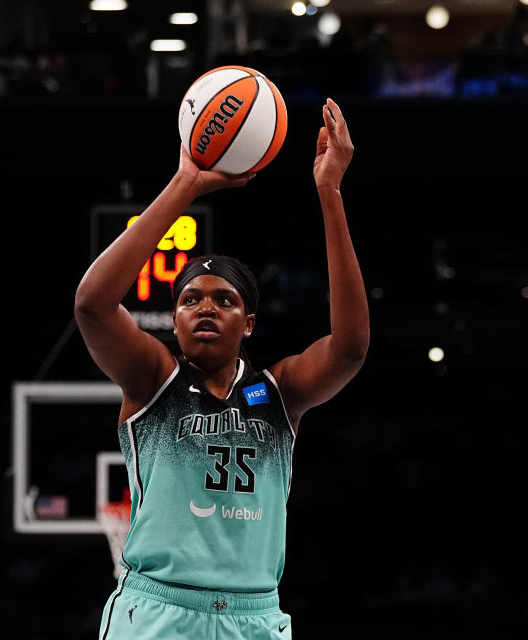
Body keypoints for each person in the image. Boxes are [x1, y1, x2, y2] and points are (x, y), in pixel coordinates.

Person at [74, 97, 369, 639]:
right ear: (175, 319)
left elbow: (350, 348)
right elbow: (92, 304)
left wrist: (330, 192)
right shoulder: (152, 380)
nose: (206, 306)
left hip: (253, 617)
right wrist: (186, 182)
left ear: (249, 323)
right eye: (190, 300)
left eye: (224, 300)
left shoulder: (279, 394)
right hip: (158, 612)